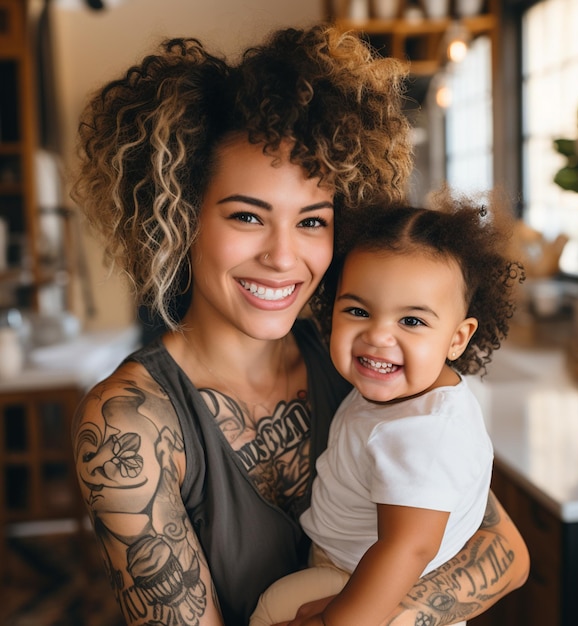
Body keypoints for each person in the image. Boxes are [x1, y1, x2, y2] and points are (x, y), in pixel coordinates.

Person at [70, 25, 529, 626]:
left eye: (312, 222)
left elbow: (505, 553)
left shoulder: (365, 360)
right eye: (246, 217)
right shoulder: (129, 424)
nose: (285, 258)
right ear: (180, 218)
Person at [250, 197, 525, 626]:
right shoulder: (408, 397)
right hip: (356, 572)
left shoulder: (423, 433)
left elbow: (408, 547)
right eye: (358, 311)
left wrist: (338, 622)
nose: (378, 335)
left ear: (458, 338)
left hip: (364, 586)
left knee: (274, 609)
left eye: (411, 321)